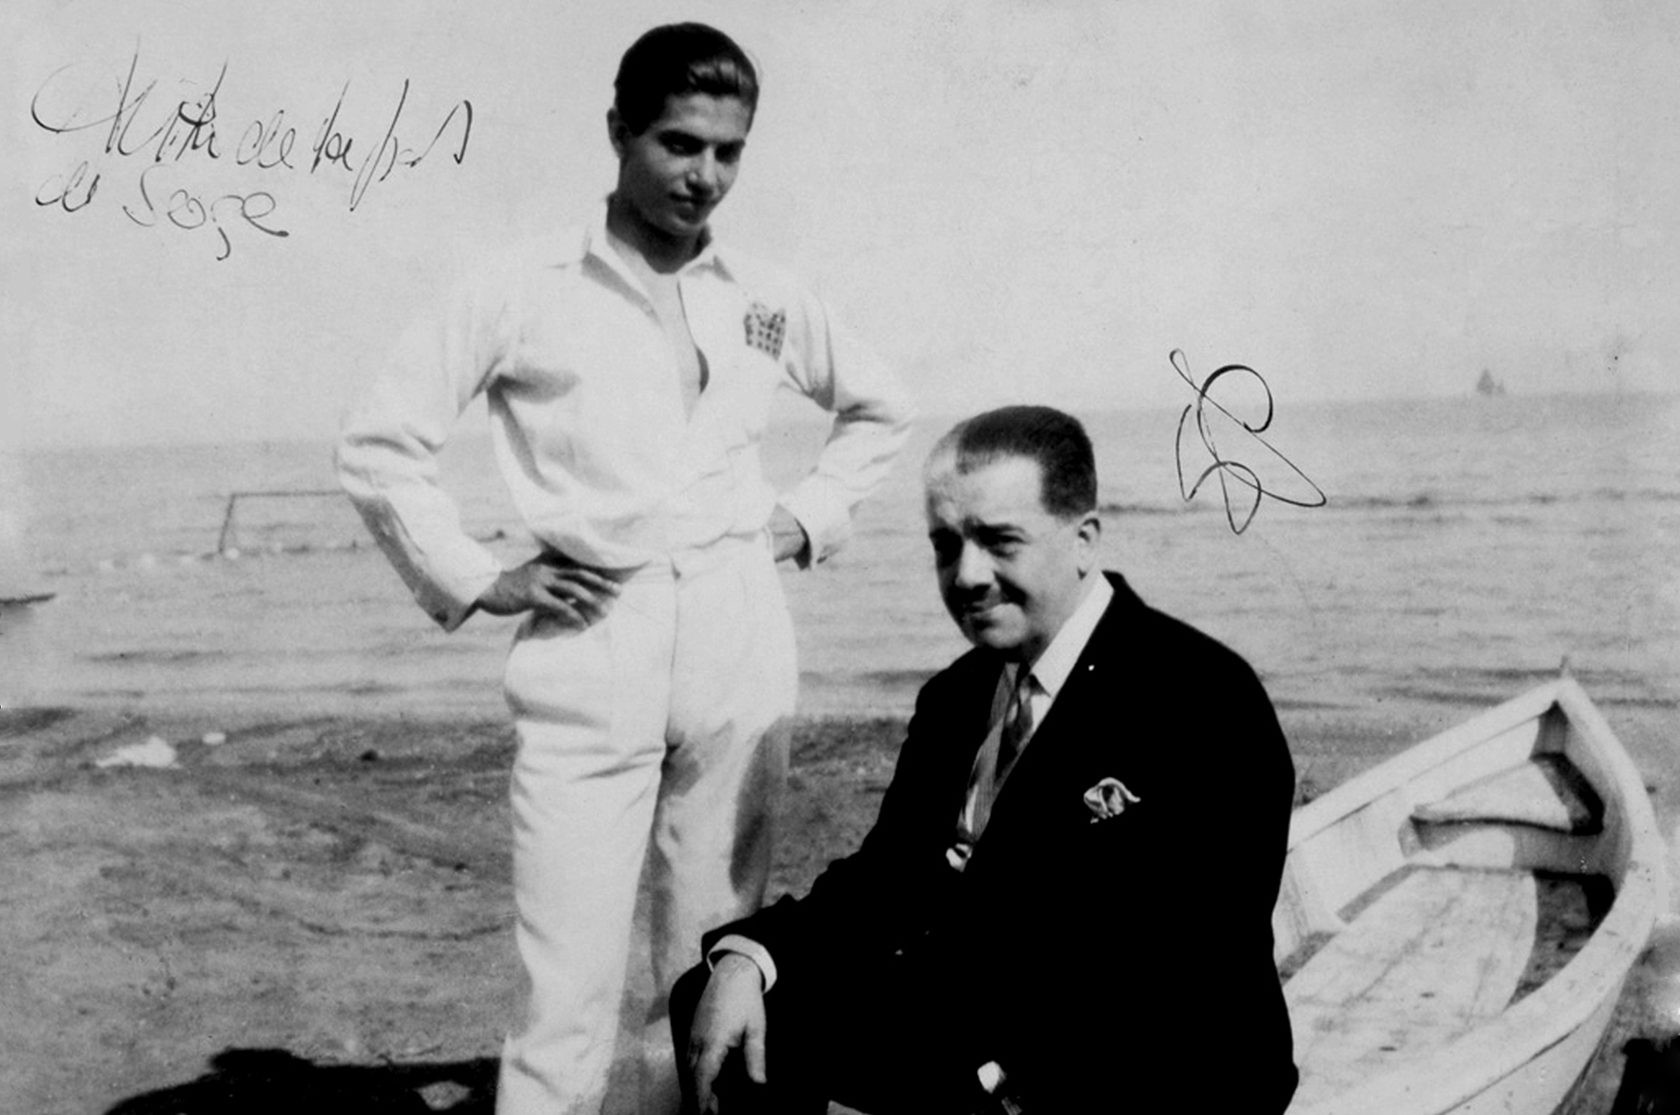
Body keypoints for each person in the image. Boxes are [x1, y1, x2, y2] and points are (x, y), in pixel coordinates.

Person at [335, 23, 913, 1115]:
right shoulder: (524, 286)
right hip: (593, 634)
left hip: (739, 636)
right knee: (566, 984)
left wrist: (802, 521)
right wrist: (478, 576)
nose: (705, 176)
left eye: (729, 152)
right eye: (679, 144)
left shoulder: (763, 293)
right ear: (618, 131)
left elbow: (882, 406)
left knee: (710, 964)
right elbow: (378, 444)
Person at [675, 406, 1297, 1114]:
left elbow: (1184, 968)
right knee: (720, 1002)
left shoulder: (1201, 698)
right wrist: (750, 957)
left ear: (1084, 539)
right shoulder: (959, 693)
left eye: (1000, 541)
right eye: (947, 545)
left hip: (1150, 1064)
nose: (967, 575)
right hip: (979, 1018)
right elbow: (887, 879)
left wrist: (994, 1080)